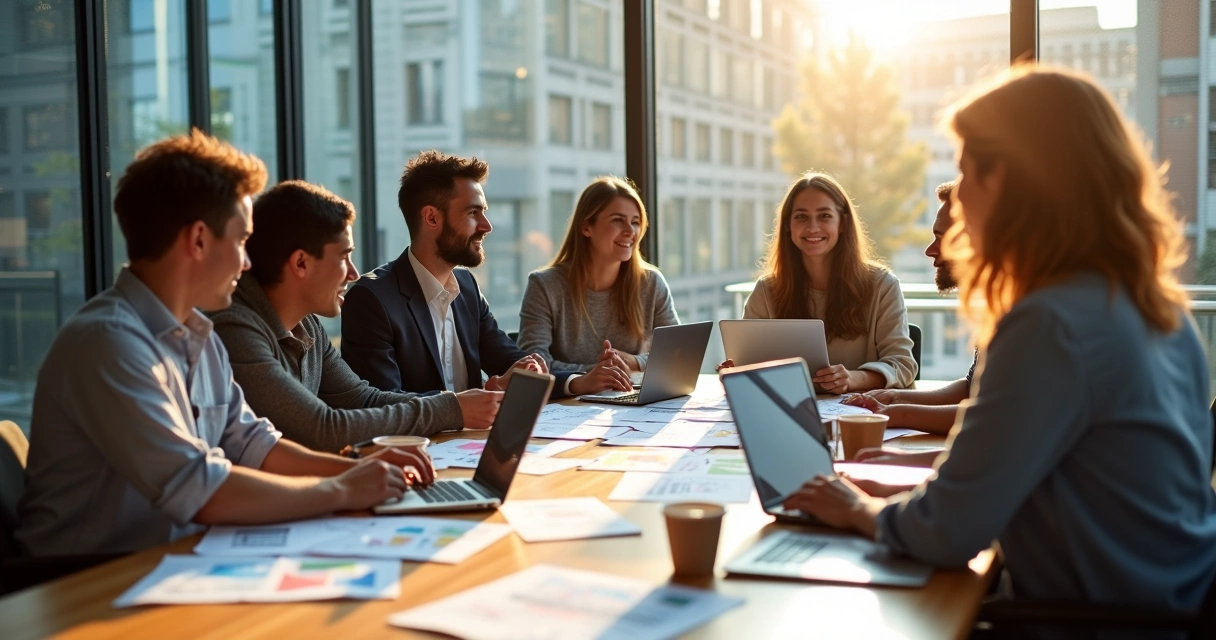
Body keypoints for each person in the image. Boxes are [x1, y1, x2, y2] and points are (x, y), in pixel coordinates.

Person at [784, 66, 1216, 611]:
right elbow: (1010, 486)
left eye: (965, 173)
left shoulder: (1050, 326)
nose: (957, 200)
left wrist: (852, 508)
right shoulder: (1157, 311)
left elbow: (945, 533)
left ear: (1012, 181)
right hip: (1164, 605)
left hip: (1089, 622)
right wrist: (880, 490)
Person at [16, 131, 432, 557]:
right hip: (83, 585)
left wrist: (360, 468)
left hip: (172, 561)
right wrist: (341, 489)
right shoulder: (109, 344)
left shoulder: (199, 336)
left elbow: (254, 445)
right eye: (239, 240)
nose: (248, 261)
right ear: (198, 240)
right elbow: (201, 488)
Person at [209, 181, 502, 454]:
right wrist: (451, 409)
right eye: (343, 257)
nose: (353, 273)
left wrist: (455, 404)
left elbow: (362, 399)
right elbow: (322, 428)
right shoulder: (234, 329)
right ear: (300, 262)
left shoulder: (307, 324)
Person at [340, 151, 578, 396]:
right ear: (432, 218)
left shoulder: (466, 286)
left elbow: (512, 362)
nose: (487, 226)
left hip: (477, 435)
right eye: (473, 213)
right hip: (424, 436)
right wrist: (466, 405)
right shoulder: (371, 300)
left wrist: (577, 382)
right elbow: (384, 404)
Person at [723, 172, 916, 393]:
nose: (812, 227)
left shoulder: (883, 285)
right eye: (801, 217)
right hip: (787, 411)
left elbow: (903, 365)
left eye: (824, 216)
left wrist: (853, 379)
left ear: (842, 223)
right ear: (788, 226)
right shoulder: (767, 291)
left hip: (860, 416)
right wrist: (738, 370)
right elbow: (751, 363)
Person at [517, 176, 679, 395]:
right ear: (586, 227)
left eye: (635, 222)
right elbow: (532, 365)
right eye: (617, 220)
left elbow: (678, 354)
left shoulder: (651, 283)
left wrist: (634, 362)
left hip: (630, 403)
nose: (630, 231)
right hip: (567, 410)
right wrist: (594, 375)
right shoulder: (545, 286)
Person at [841, 181, 973, 440]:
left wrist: (893, 413)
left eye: (942, 238)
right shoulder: (1002, 308)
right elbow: (973, 388)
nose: (930, 250)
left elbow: (991, 416)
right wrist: (896, 397)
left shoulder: (1028, 315)